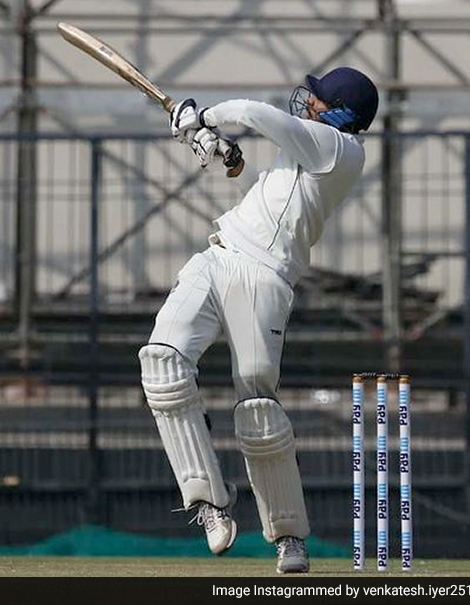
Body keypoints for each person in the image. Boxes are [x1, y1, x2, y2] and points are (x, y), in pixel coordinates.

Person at [137, 67, 379, 573]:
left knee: (257, 410)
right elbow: (263, 203)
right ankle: (207, 501)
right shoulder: (307, 151)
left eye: (316, 98)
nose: (306, 101)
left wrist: (201, 115)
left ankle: (289, 536)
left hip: (265, 279)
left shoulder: (339, 150)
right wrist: (228, 160)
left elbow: (252, 113)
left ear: (339, 111)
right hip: (219, 255)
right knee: (162, 362)